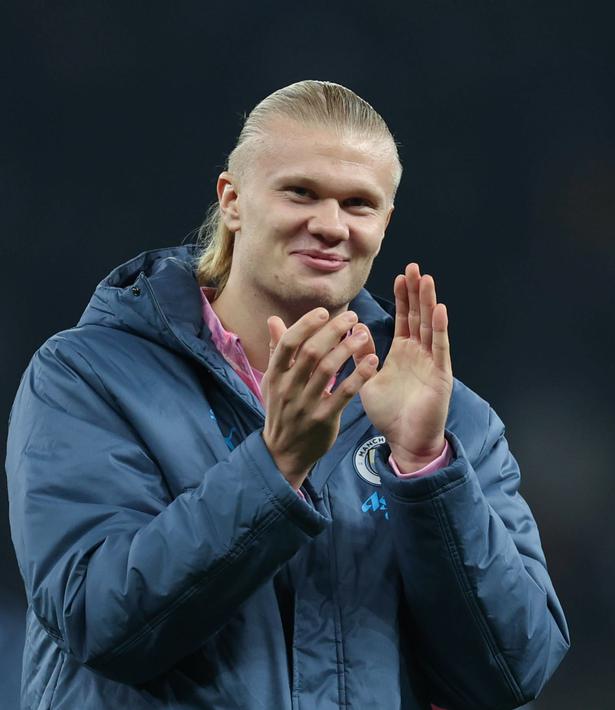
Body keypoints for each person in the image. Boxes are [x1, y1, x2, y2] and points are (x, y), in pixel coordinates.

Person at [5, 80, 569, 709]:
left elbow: (512, 672)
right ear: (233, 199)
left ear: (384, 224)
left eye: (359, 204)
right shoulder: (89, 379)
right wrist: (275, 466)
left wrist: (425, 469)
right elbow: (98, 621)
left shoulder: (448, 419)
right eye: (301, 192)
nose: (330, 225)